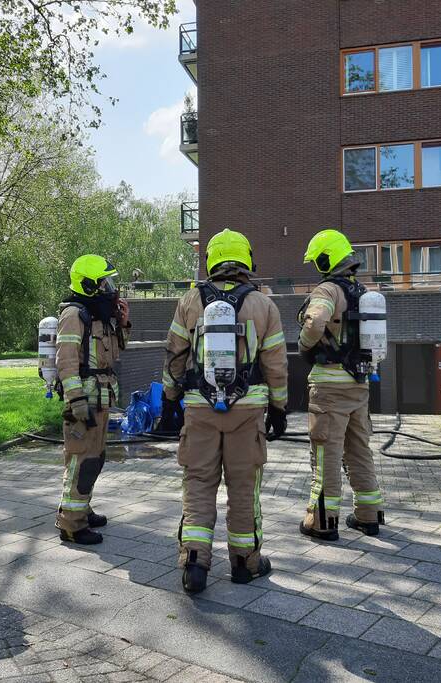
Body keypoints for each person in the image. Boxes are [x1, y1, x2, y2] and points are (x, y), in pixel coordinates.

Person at [159, 229, 288, 593]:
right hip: (248, 411)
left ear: (211, 260)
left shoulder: (189, 301)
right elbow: (276, 364)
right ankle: (245, 563)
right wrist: (279, 407)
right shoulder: (264, 305)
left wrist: (170, 398)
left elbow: (175, 355)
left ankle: (195, 562)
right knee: (244, 487)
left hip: (200, 408)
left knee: (199, 484)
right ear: (246, 260)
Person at [298, 229, 384, 541]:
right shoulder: (363, 292)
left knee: (326, 453)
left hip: (329, 389)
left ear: (325, 259)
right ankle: (368, 514)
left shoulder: (328, 290)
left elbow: (315, 321)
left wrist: (304, 344)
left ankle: (322, 521)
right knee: (359, 449)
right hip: (359, 385)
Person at [55, 254, 131, 544]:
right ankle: (71, 525)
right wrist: (76, 402)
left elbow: (116, 352)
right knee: (81, 461)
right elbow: (66, 362)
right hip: (84, 400)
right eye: (103, 282)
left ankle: (82, 509)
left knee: (95, 458)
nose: (109, 288)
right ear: (88, 285)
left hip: (100, 397)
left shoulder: (99, 315)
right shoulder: (74, 314)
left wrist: (123, 322)